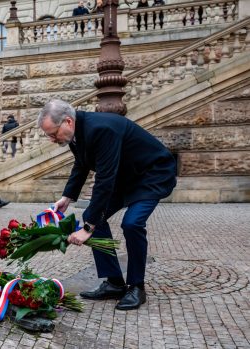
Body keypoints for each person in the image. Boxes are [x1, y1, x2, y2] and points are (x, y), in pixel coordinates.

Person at [38, 99, 176, 311]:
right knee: (94, 216)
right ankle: (114, 283)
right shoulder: (78, 131)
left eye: (53, 133)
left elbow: (105, 180)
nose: (51, 139)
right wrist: (67, 197)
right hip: (126, 177)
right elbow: (81, 164)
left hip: (152, 175)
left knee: (131, 224)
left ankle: (136, 287)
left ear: (67, 121)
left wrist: (87, 229)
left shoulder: (101, 129)